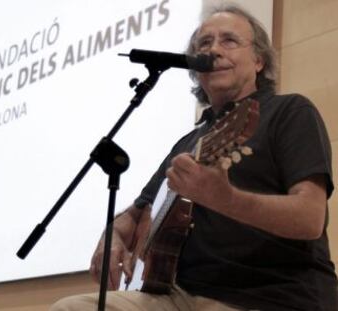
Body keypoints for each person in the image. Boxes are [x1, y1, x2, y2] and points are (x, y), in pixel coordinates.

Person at [51, 3, 337, 311]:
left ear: (258, 60)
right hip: (178, 296)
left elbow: (310, 219)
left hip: (272, 295)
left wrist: (225, 198)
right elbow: (136, 214)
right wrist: (114, 235)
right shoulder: (188, 142)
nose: (214, 50)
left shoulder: (289, 111)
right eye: (204, 43)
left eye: (229, 40)